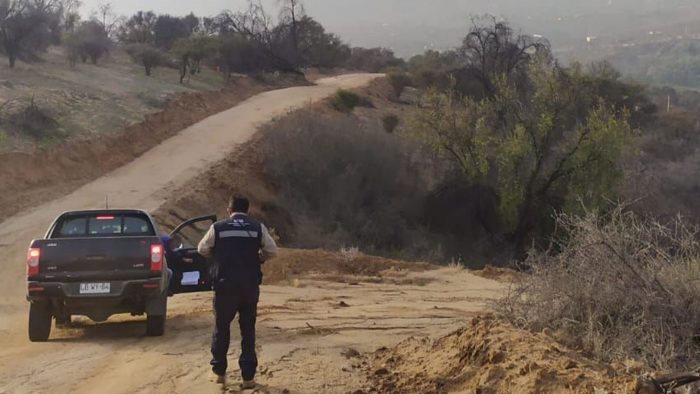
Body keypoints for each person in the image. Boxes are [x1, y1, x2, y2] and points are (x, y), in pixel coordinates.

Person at [197, 195, 278, 389]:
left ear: (229, 210)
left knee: (221, 327)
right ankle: (248, 377)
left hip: (225, 286)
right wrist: (259, 257)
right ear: (247, 210)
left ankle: (218, 373)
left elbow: (202, 248)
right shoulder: (257, 227)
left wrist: (218, 255)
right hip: (249, 286)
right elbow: (272, 251)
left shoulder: (218, 227)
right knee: (248, 330)